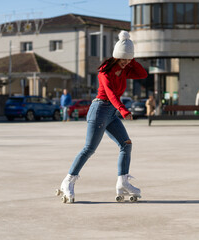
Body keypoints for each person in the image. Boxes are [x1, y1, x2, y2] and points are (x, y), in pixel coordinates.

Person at [57, 30, 148, 203]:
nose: (126, 63)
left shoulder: (127, 69)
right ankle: (68, 181)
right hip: (99, 111)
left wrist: (130, 57)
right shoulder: (104, 72)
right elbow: (111, 94)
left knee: (126, 144)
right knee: (89, 148)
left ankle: (122, 181)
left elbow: (143, 74)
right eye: (123, 59)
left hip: (111, 113)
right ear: (116, 56)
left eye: (128, 60)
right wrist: (123, 110)